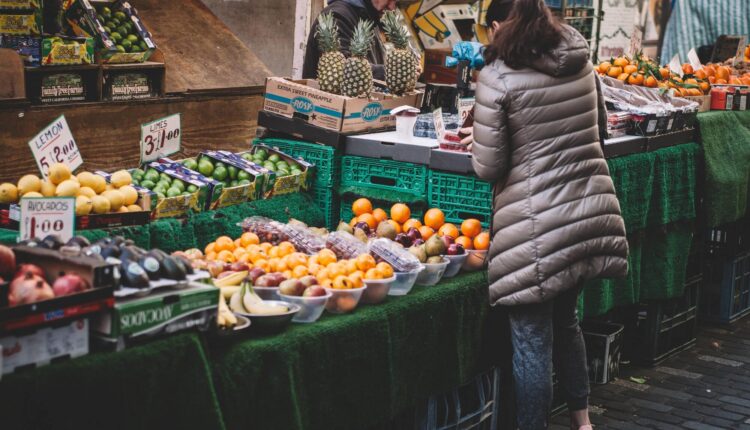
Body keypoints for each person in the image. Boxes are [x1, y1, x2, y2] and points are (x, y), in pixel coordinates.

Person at [467, 0, 629, 429]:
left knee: (532, 341)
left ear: (500, 25)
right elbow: (599, 132)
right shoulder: (581, 63)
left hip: (535, 228)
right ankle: (583, 422)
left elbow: (487, 167)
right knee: (566, 322)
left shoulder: (497, 78)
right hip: (586, 214)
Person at [302, 0, 397, 82]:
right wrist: (395, 72)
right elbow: (342, 71)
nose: (392, 7)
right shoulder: (337, 16)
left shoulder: (369, 18)